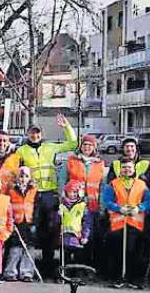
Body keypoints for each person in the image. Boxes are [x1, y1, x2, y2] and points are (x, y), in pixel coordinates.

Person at [16, 113, 78, 274]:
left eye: (37, 133)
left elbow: (73, 144)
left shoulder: (50, 147)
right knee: (33, 226)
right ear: (28, 134)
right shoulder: (21, 151)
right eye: (32, 133)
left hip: (49, 194)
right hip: (32, 194)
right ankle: (31, 264)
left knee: (51, 228)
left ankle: (48, 263)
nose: (35, 135)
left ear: (41, 135)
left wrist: (66, 127)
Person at [101, 156, 149, 289]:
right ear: (120, 169)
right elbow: (107, 201)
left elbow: (148, 201)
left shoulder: (141, 184)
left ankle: (133, 279)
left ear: (134, 169)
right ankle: (118, 278)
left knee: (133, 252)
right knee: (117, 252)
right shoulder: (113, 184)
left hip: (135, 223)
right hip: (118, 223)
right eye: (124, 167)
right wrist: (118, 208)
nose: (126, 170)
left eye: (129, 167)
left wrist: (139, 208)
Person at [61, 135, 108, 270]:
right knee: (74, 235)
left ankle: (86, 267)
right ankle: (69, 267)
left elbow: (102, 186)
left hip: (91, 204)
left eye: (90, 145)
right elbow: (62, 180)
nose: (87, 147)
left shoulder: (99, 163)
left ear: (94, 148)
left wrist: (102, 205)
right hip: (73, 203)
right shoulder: (71, 161)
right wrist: (63, 198)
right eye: (84, 145)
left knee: (88, 235)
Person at [4, 165, 38, 282]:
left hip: (29, 222)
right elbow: (7, 207)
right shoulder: (12, 191)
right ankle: (11, 271)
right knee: (15, 247)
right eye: (21, 176)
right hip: (16, 222)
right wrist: (10, 221)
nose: (23, 179)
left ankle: (27, 272)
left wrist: (35, 222)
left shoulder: (34, 190)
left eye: (26, 176)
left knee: (29, 247)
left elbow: (37, 207)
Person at [60, 180, 90, 268]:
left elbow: (86, 223)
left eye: (75, 192)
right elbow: (56, 222)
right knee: (64, 259)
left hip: (77, 238)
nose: (72, 194)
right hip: (64, 238)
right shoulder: (61, 206)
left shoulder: (82, 206)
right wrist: (58, 215)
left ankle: (77, 275)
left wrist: (85, 236)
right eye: (70, 192)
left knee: (78, 260)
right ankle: (64, 274)